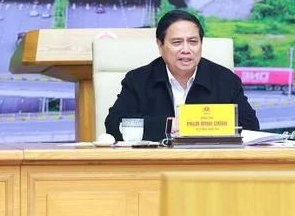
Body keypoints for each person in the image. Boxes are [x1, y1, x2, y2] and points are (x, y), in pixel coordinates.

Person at [105, 10, 259, 142]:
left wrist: (192, 124)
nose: (186, 49)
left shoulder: (225, 79)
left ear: (201, 43)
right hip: (155, 165)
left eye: (193, 42)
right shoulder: (138, 80)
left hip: (207, 164)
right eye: (177, 42)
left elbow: (251, 126)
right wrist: (169, 125)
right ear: (160, 45)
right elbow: (114, 124)